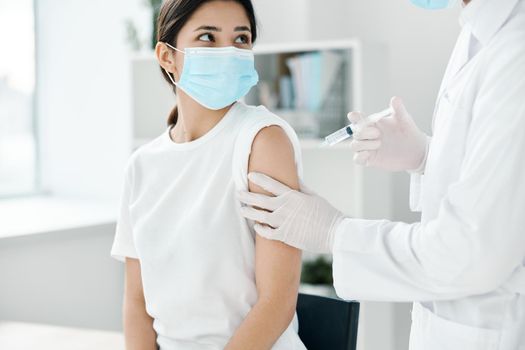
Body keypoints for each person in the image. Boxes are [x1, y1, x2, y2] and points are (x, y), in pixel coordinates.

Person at [237, 0, 525, 349]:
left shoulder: (514, 48)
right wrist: (426, 157)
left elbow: (474, 254)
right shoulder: (478, 30)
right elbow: (500, 179)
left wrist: (336, 233)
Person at [110, 0, 307, 349]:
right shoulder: (141, 166)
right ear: (167, 56)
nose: (228, 52)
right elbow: (137, 304)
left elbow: (276, 301)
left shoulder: (262, 140)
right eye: (207, 37)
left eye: (241, 38)